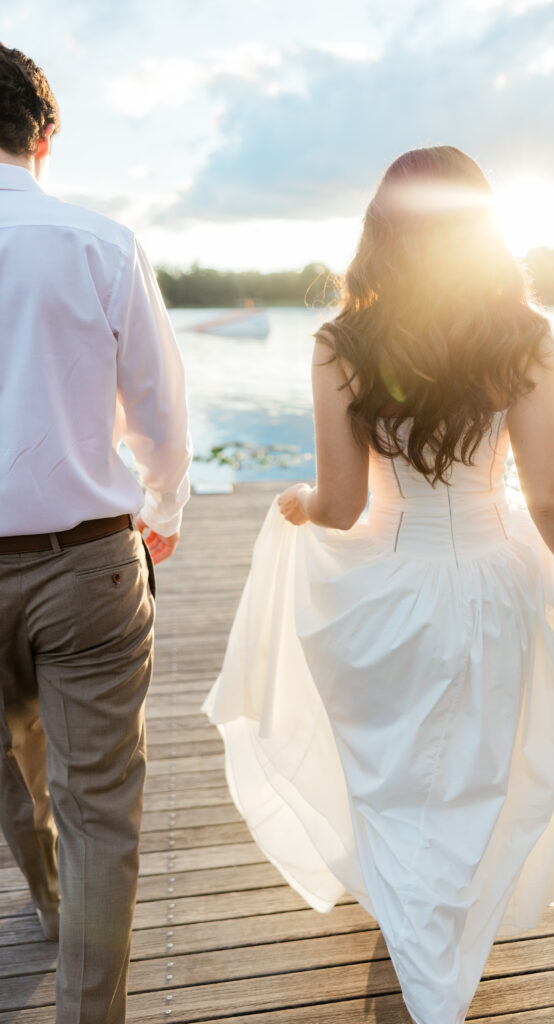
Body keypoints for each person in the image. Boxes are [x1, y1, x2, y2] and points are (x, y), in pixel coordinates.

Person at [203, 146, 554, 1024]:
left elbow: (339, 503)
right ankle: (436, 968)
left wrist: (294, 498)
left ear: (379, 233)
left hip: (384, 591)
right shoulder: (521, 337)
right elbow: (551, 493)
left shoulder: (340, 343)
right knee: (473, 778)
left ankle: (425, 965)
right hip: (491, 583)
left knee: (393, 780)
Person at [0, 44, 192, 1023]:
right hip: (87, 564)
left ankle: (41, 898)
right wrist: (160, 513)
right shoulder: (101, 245)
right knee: (101, 813)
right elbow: (159, 416)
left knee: (10, 753)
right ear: (47, 134)